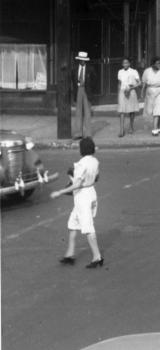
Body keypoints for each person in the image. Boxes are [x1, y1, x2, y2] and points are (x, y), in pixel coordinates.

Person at [51, 137, 103, 268]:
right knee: (73, 223)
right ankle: (70, 255)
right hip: (91, 192)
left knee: (87, 227)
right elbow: (96, 178)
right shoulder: (95, 161)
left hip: (82, 197)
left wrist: (60, 192)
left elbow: (77, 184)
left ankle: (97, 257)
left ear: (81, 149)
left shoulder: (81, 164)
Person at [116, 58, 140, 137]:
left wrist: (132, 87)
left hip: (131, 92)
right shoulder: (120, 72)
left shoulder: (134, 71)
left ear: (129, 63)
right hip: (122, 92)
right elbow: (119, 83)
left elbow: (139, 83)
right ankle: (121, 130)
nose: (125, 64)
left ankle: (131, 126)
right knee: (121, 111)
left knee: (131, 111)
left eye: (127, 63)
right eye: (124, 63)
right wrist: (119, 94)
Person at [72, 51, 93, 139]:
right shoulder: (75, 68)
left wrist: (89, 87)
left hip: (86, 90)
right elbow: (73, 80)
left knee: (87, 112)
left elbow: (94, 80)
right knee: (78, 112)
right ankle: (78, 133)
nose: (82, 61)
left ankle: (88, 134)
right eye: (80, 60)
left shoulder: (90, 69)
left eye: (83, 60)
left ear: (85, 60)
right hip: (78, 90)